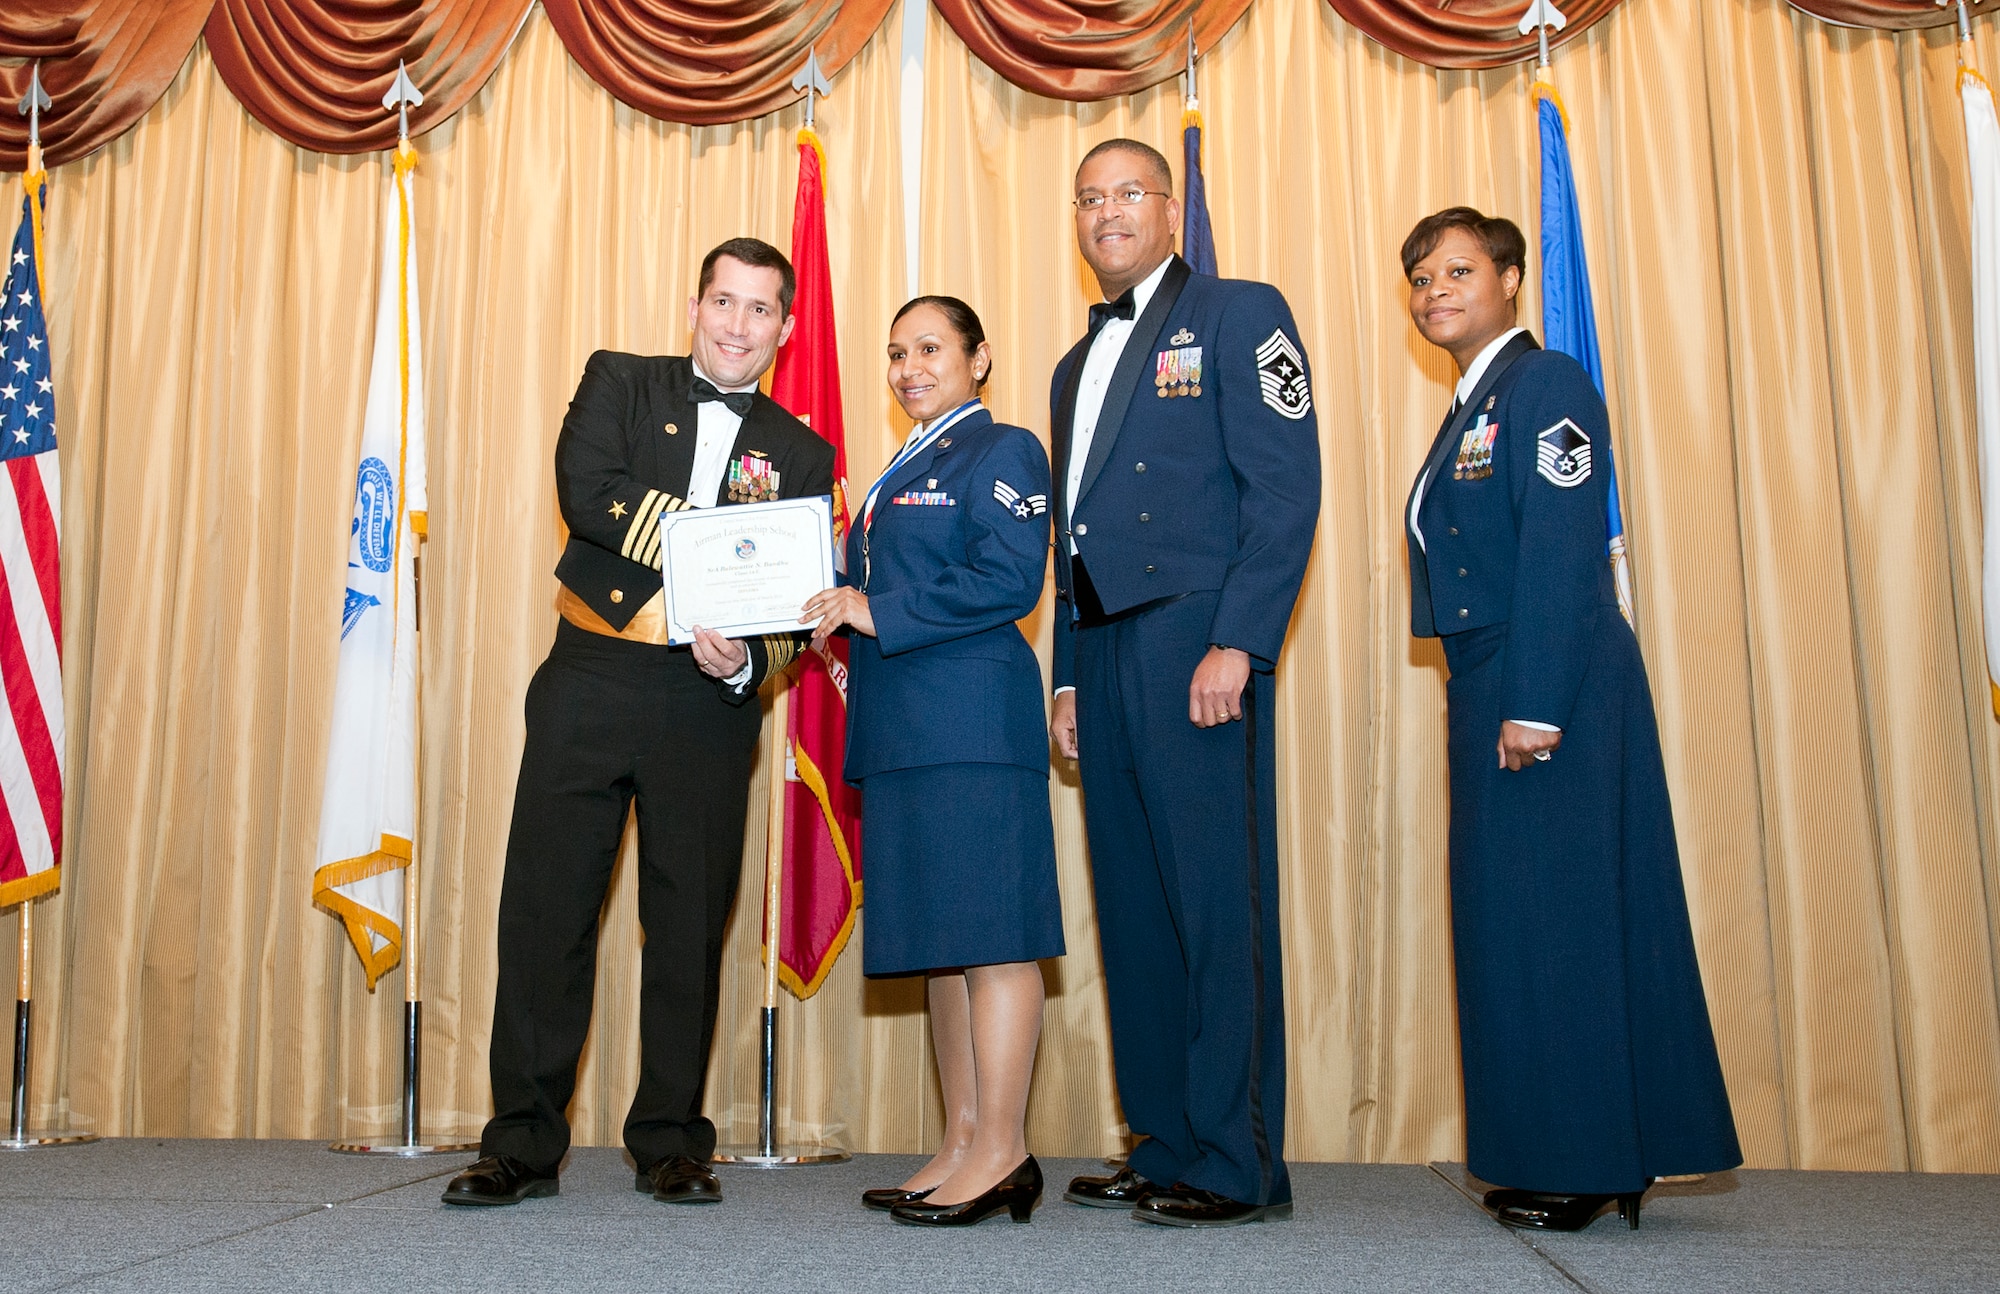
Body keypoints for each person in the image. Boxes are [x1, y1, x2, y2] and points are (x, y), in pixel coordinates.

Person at [443, 237, 835, 1208]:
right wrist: (712, 545)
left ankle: (670, 1140)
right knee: (543, 914)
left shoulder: (803, 452)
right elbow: (588, 493)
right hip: (590, 673)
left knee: (689, 925)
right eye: (722, 302)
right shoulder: (617, 381)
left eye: (758, 310)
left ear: (784, 329)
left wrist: (748, 659)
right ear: (694, 307)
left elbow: (795, 603)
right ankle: (521, 1143)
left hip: (705, 704)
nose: (736, 324)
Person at [1400, 207, 1740, 1231]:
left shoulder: (1542, 385)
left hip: (1546, 683)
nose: (1434, 291)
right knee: (1518, 927)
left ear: (1509, 278)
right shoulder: (1470, 403)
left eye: (1457, 269)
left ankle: (1593, 1161)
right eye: (1419, 278)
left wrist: (1535, 702)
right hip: (1491, 682)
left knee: (1564, 925)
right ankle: (1556, 1145)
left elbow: (1558, 540)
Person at [1047, 139, 1320, 1228]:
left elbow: (1283, 489)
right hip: (1105, 653)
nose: (1107, 210)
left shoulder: (1242, 313)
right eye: (1088, 197)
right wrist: (1065, 675)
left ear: (1168, 209)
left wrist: (1240, 642)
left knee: (1215, 908)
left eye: (1127, 192)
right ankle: (1162, 1138)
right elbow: (1068, 540)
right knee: (1134, 908)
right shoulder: (1074, 364)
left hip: (1194, 646)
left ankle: (1234, 1158)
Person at [802, 296, 1063, 1227]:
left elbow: (1009, 575)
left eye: (931, 349)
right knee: (942, 949)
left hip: (971, 728)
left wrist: (878, 611)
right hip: (907, 731)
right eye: (896, 353)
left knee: (991, 937)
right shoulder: (899, 468)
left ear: (978, 358)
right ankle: (962, 1138)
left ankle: (1004, 1147)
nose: (910, 367)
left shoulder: (1003, 450)